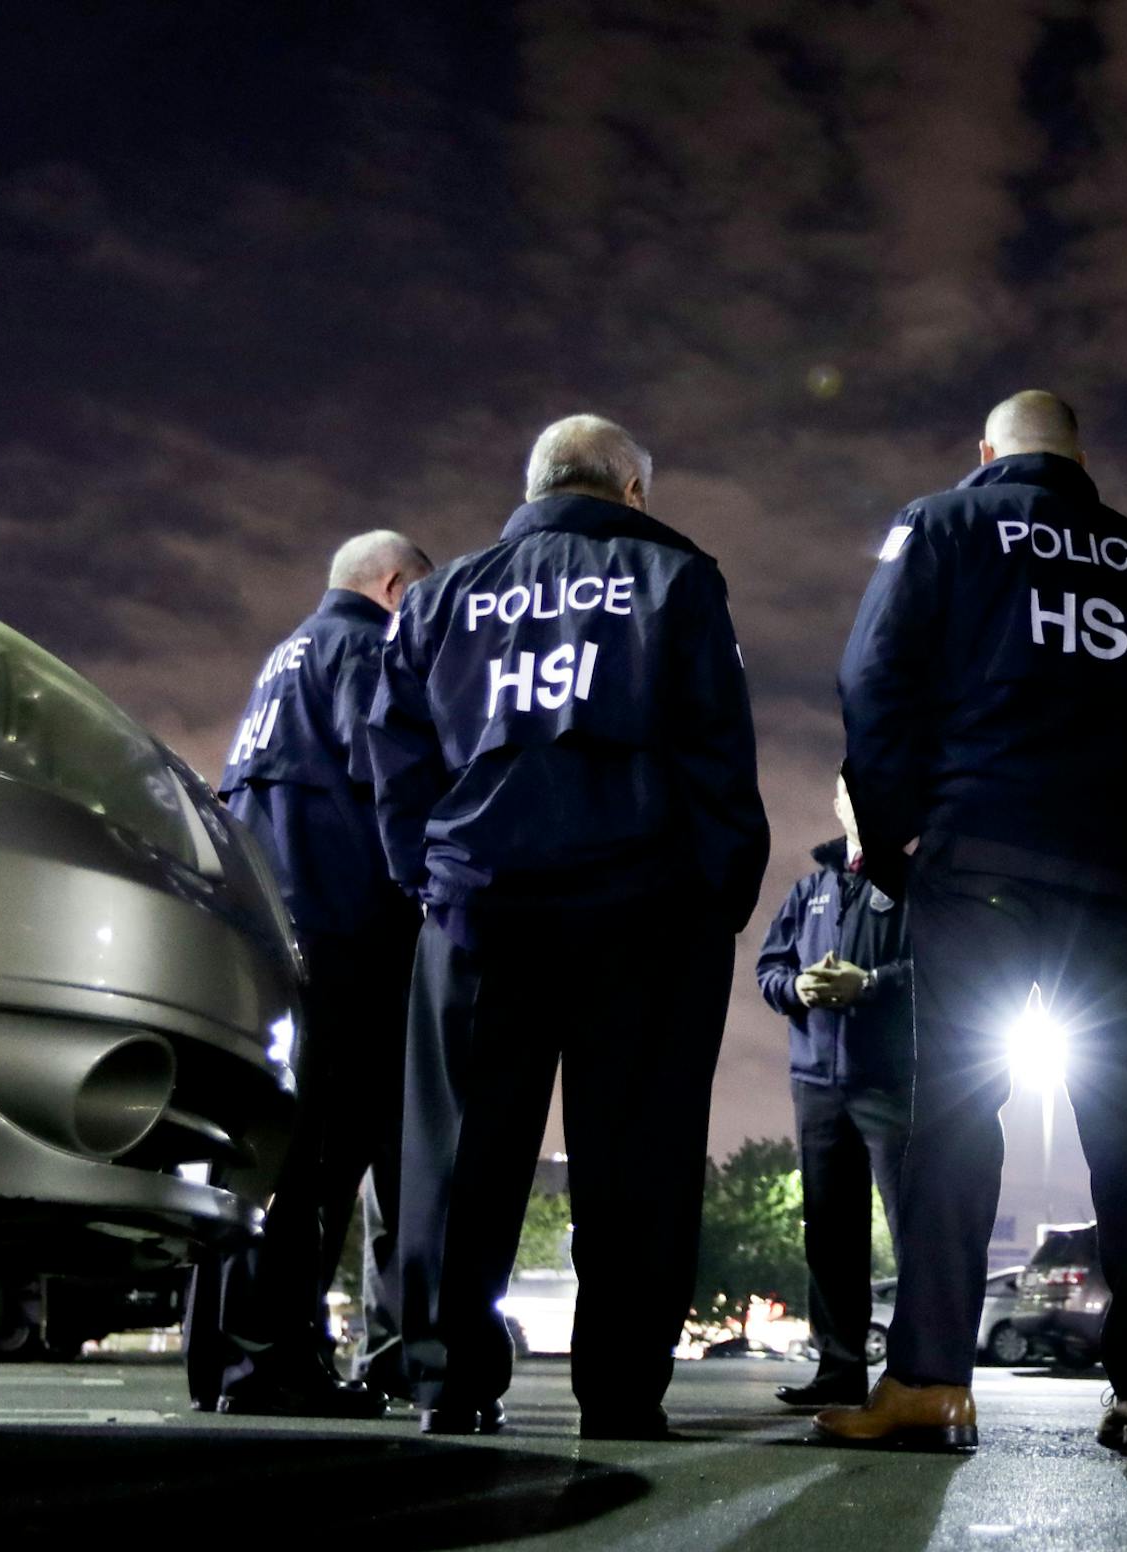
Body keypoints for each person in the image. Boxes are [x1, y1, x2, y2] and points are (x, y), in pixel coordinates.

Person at [818, 390, 1127, 1455]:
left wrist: (894, 840)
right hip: (1114, 883)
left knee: (956, 1116)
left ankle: (930, 1382)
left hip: (982, 857)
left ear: (987, 450)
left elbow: (873, 676)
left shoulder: (944, 523)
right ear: (1081, 459)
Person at [369, 413, 769, 1441]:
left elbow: (395, 751)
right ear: (631, 492)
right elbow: (716, 748)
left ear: (537, 485)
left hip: (478, 905)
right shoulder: (676, 578)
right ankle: (622, 1390)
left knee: (459, 1154)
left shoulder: (445, 595)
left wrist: (426, 874)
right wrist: (721, 893)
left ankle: (448, 1381)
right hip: (641, 908)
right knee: (637, 1156)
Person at [190, 529, 434, 1417]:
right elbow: (396, 783)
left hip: (267, 930)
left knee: (262, 1149)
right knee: (325, 1158)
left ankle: (225, 1360)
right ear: (396, 587)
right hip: (343, 933)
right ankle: (278, 1364)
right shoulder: (365, 651)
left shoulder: (282, 661)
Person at [755, 775, 914, 1409]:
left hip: (891, 1083)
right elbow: (769, 967)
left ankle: (916, 1370)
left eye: (869, 791)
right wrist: (796, 989)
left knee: (912, 1226)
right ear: (837, 803)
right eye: (849, 792)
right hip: (817, 1085)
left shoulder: (912, 886)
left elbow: (935, 969)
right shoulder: (808, 890)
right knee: (828, 1231)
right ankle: (839, 1370)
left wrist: (867, 983)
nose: (857, 801)